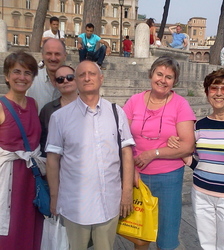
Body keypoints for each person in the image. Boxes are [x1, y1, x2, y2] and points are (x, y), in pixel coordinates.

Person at [45, 60, 135, 250]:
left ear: (101, 79)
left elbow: (127, 153)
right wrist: (55, 196)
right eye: (82, 75)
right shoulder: (60, 117)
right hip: (75, 205)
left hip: (109, 202)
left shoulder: (116, 112)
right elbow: (53, 160)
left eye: (92, 74)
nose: (87, 78)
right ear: (76, 81)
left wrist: (126, 192)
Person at [169, 68, 224, 250]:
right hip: (201, 195)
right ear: (207, 93)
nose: (219, 93)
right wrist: (178, 146)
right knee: (206, 245)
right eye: (214, 88)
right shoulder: (199, 125)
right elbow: (197, 162)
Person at [123, 56, 196, 250]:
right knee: (139, 232)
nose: (163, 80)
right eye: (159, 74)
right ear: (151, 75)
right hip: (137, 176)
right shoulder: (134, 101)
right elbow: (122, 138)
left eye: (169, 77)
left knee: (167, 231)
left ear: (175, 81)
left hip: (169, 177)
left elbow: (188, 146)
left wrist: (152, 153)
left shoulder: (180, 105)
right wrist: (131, 170)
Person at [0, 51, 45, 249]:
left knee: (30, 228)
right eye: (16, 72)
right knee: (9, 231)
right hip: (7, 180)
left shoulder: (33, 104)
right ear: (7, 76)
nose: (22, 77)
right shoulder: (1, 106)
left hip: (31, 179)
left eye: (28, 73)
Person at [39, 65, 78, 157]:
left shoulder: (89, 106)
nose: (65, 81)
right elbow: (42, 141)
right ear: (56, 84)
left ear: (77, 79)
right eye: (60, 79)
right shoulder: (47, 110)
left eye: (70, 77)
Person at [27, 38, 67, 113]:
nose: (53, 58)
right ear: (42, 55)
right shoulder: (32, 79)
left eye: (57, 54)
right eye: (49, 53)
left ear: (65, 56)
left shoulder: (74, 82)